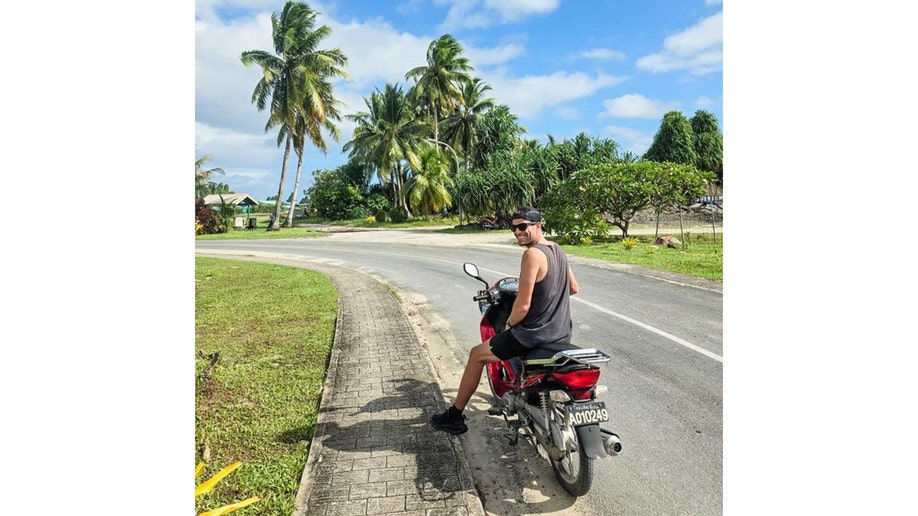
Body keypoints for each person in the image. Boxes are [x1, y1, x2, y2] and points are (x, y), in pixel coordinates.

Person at [431, 206, 580, 435]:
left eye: (523, 226)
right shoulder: (557, 249)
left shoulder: (532, 254)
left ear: (538, 225)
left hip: (532, 336)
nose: (518, 232)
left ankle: (454, 416)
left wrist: (510, 325)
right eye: (514, 227)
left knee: (476, 355)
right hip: (560, 334)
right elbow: (573, 288)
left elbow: (523, 305)